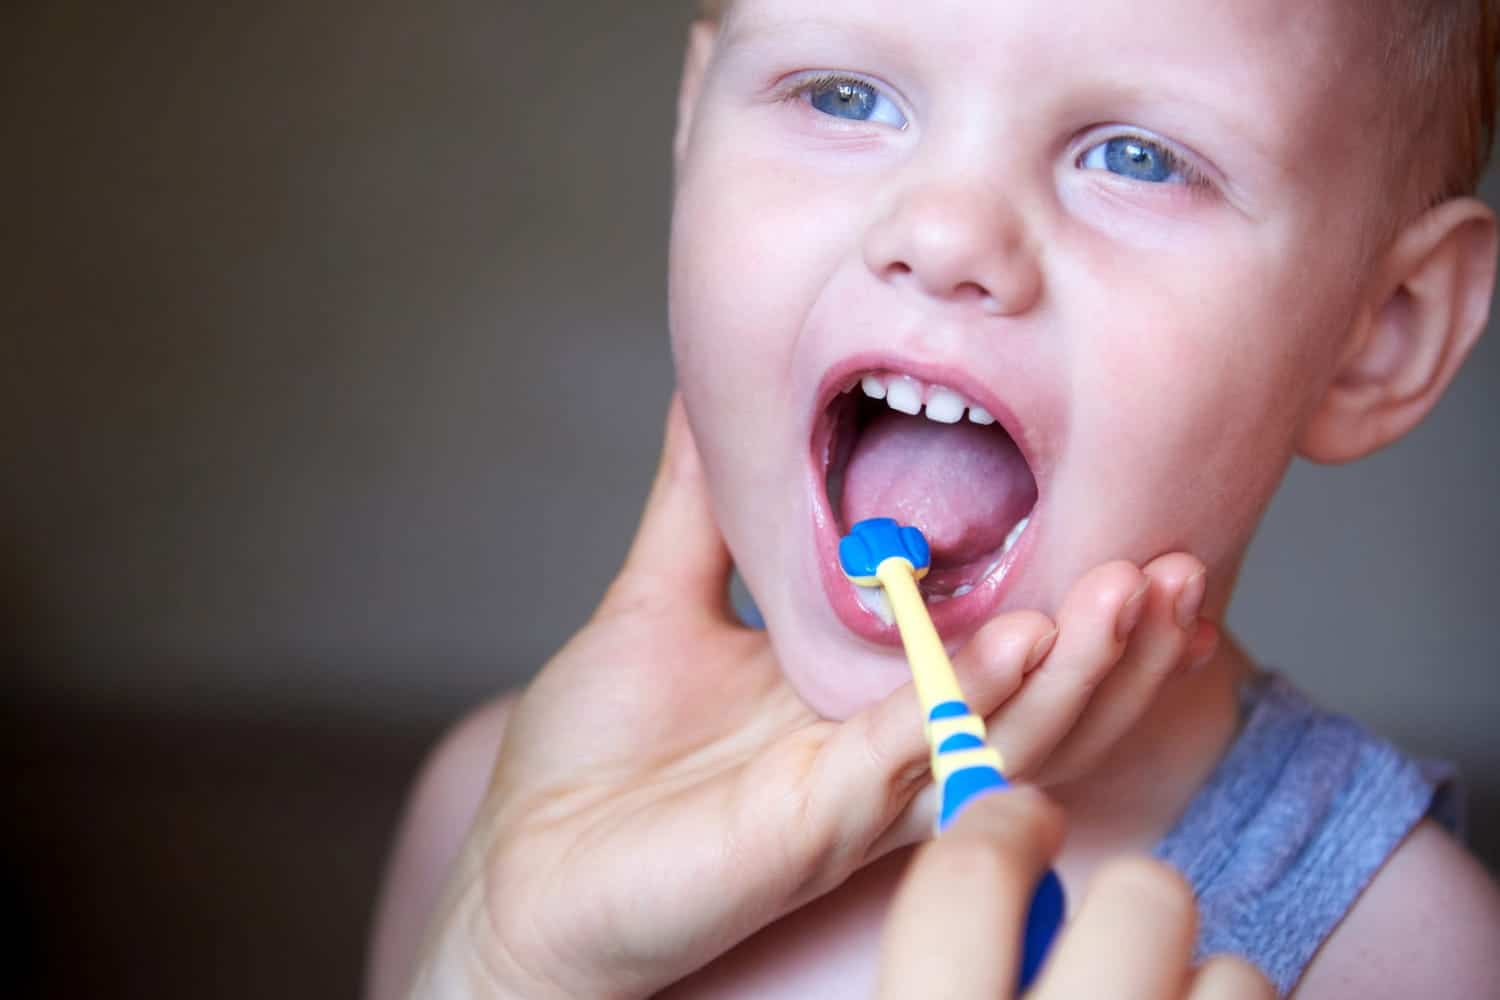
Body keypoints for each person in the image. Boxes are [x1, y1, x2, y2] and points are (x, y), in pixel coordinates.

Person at [367, 0, 1500, 996]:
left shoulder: (1407, 952)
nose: (944, 231)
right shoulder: (503, 831)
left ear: (1380, 334)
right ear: (689, 126)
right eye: (843, 93)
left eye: (1139, 158)